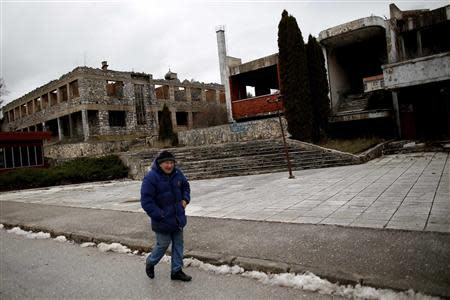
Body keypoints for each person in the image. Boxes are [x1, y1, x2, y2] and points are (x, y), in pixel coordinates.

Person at [140, 150, 192, 281]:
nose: (169, 166)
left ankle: (176, 271)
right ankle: (150, 262)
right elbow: (146, 201)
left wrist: (185, 200)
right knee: (163, 245)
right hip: (162, 220)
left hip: (177, 218)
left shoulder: (177, 173)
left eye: (171, 163)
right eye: (166, 163)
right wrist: (160, 214)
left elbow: (186, 186)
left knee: (178, 244)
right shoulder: (151, 178)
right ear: (159, 164)